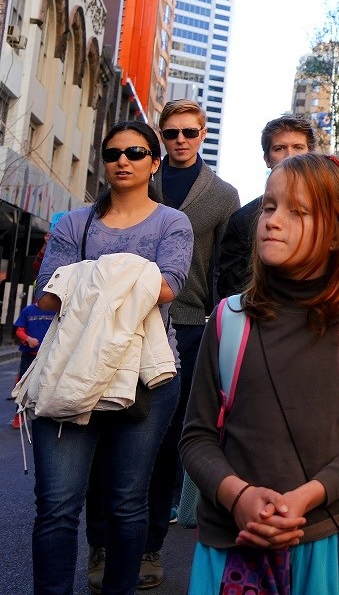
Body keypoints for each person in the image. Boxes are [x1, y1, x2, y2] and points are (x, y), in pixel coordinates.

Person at [180, 154, 339, 593]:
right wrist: (237, 496)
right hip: (233, 543)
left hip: (331, 541)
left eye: (298, 211)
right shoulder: (227, 319)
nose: (272, 221)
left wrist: (306, 498)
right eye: (271, 206)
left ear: (337, 234)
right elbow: (196, 437)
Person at [30, 120, 193, 595]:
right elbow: (45, 296)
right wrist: (128, 275)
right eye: (114, 152)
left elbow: (167, 288)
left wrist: (87, 277)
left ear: (154, 163)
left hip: (147, 377)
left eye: (136, 153)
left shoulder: (171, 222)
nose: (123, 160)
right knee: (57, 505)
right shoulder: (74, 223)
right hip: (70, 369)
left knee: (126, 501)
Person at [135, 99, 240, 588]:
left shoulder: (222, 194)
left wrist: (222, 325)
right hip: (126, 320)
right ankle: (106, 540)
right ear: (161, 135)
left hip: (189, 323)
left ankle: (151, 547)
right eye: (171, 133)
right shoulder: (138, 176)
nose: (179, 141)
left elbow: (226, 266)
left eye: (189, 133)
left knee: (167, 440)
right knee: (114, 430)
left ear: (202, 135)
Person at [216, 115, 317, 299]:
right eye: (280, 148)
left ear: (311, 154)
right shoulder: (243, 220)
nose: (290, 155)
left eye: (298, 147)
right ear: (267, 158)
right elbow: (231, 290)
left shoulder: (330, 211)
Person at [12, 300, 56, 429]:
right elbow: (19, 330)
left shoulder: (55, 310)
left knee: (46, 385)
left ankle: (45, 415)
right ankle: (19, 414)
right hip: (29, 356)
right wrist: (27, 339)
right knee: (23, 385)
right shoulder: (28, 310)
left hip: (49, 356)